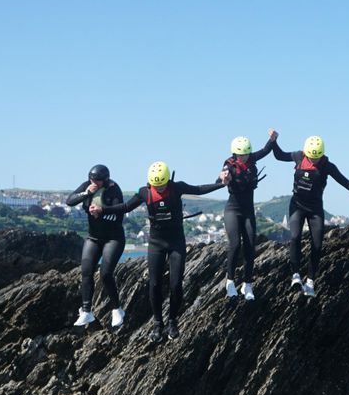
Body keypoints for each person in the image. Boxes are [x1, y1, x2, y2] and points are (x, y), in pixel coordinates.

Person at [91, 161, 228, 342]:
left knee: (176, 285)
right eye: (157, 185)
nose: (160, 188)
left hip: (176, 242)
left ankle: (172, 320)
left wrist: (221, 183)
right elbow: (125, 207)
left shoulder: (177, 188)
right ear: (150, 182)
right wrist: (102, 209)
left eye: (162, 184)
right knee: (154, 284)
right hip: (156, 243)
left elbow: (199, 189)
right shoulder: (145, 192)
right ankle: (158, 323)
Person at [270, 135, 349, 297]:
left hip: (315, 209)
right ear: (306, 153)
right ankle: (296, 275)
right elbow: (279, 156)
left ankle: (310, 281)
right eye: (311, 157)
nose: (314, 160)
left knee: (317, 245)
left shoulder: (328, 166)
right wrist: (273, 141)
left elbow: (348, 184)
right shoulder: (298, 156)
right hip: (297, 206)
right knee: (294, 237)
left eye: (317, 157)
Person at [219, 129, 278, 301]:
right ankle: (230, 282)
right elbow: (221, 178)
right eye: (240, 154)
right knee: (235, 244)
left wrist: (273, 139)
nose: (243, 157)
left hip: (248, 211)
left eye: (246, 154)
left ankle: (247, 284)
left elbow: (266, 151)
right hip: (232, 210)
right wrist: (223, 179)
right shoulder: (229, 164)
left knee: (250, 246)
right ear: (235, 153)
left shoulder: (252, 159)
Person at [66, 164, 127, 328]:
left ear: (105, 180)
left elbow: (119, 211)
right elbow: (70, 201)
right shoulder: (88, 186)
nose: (94, 182)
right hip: (93, 238)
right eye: (92, 180)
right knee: (86, 271)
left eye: (97, 181)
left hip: (113, 238)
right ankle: (86, 312)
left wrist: (101, 210)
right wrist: (87, 192)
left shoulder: (114, 189)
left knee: (106, 273)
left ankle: (117, 310)